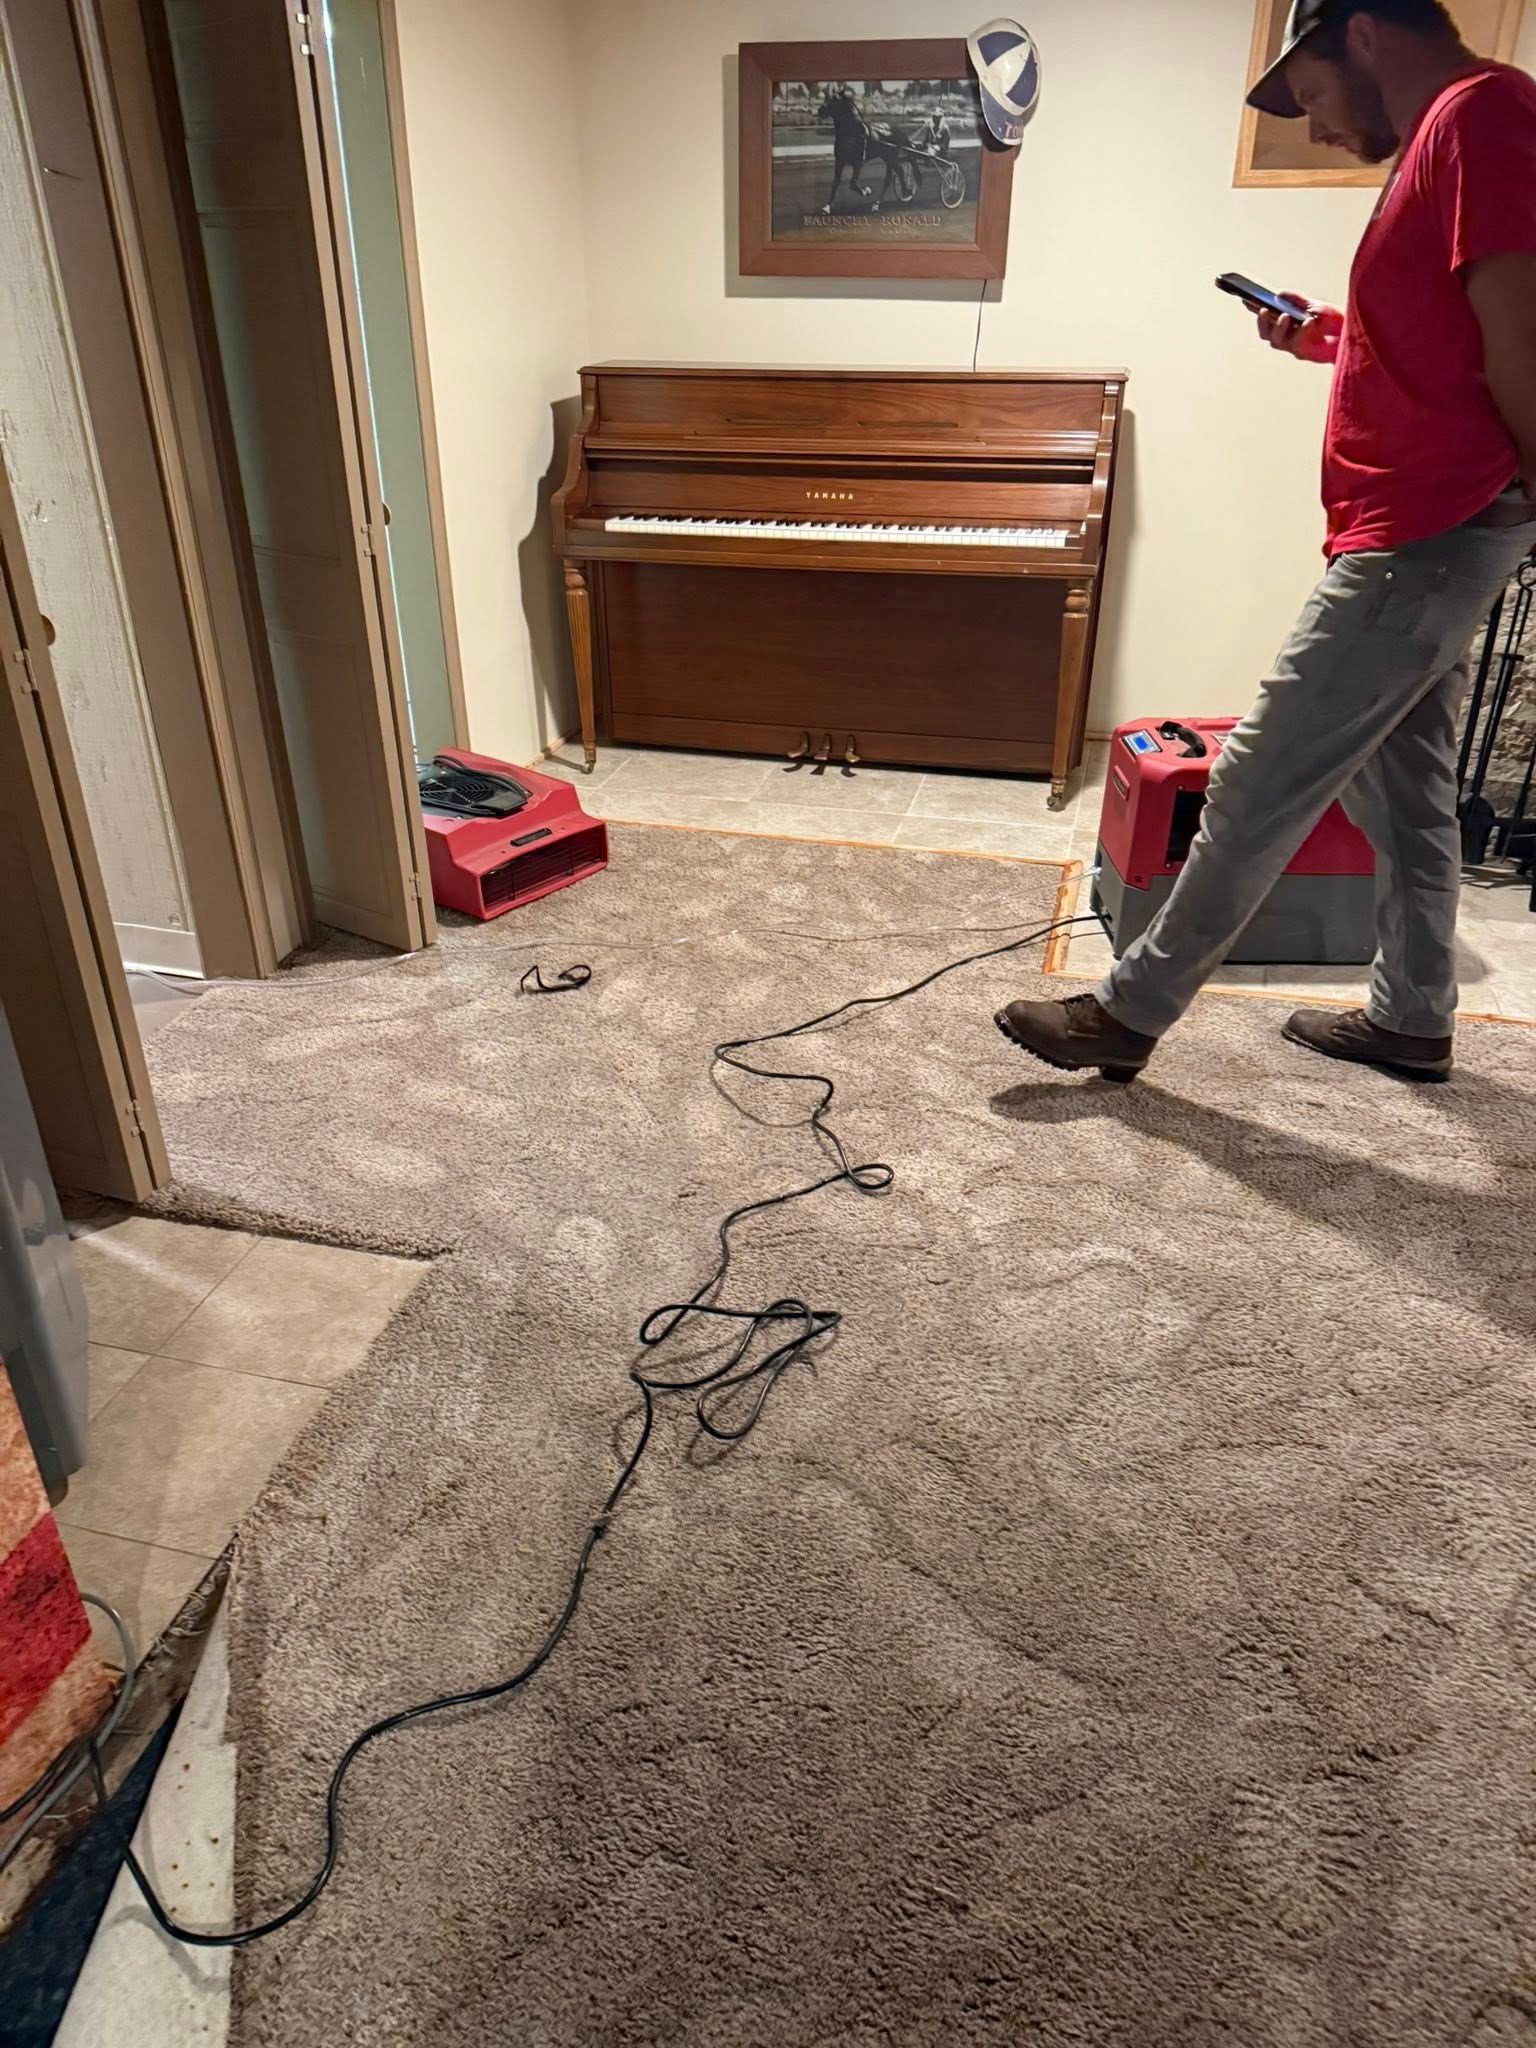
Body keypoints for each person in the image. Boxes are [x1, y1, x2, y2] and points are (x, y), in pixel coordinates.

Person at [996, 0, 1536, 1085]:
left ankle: (1128, 1010)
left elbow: (1524, 328)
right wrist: (1325, 337)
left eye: (1314, 97)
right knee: (1411, 790)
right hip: (1421, 523)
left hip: (1431, 528)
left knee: (1257, 773)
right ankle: (1412, 1016)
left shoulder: (1483, 115)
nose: (1318, 125)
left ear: (1365, 32)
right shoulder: (1451, 133)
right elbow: (1442, 336)